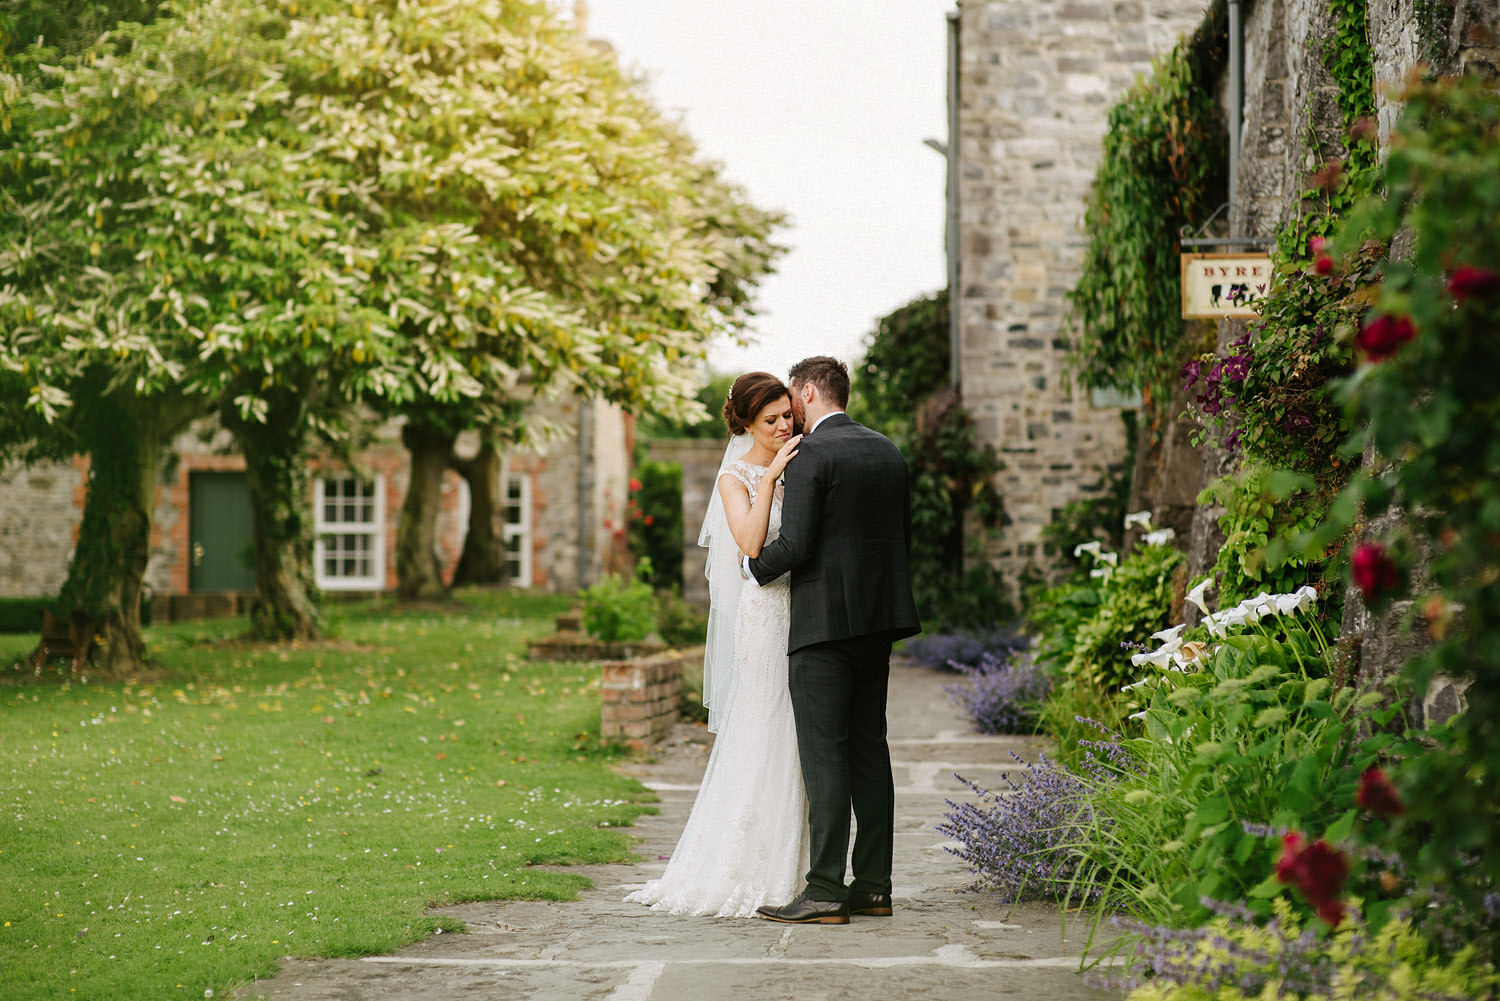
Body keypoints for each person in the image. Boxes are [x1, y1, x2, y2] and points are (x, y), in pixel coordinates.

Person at [624, 372, 809, 917]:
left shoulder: (804, 459)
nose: (782, 426)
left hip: (802, 612)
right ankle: (748, 869)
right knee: (765, 725)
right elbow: (750, 545)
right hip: (764, 617)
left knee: (797, 736)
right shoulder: (736, 477)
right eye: (771, 419)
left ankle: (795, 865)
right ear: (746, 422)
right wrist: (772, 476)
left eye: (786, 415)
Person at [745, 356, 920, 925]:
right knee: (871, 750)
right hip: (879, 623)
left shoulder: (810, 454)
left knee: (825, 758)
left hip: (823, 627)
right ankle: (873, 887)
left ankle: (823, 890)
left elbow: (794, 544)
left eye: (792, 397)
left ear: (807, 391)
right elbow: (898, 538)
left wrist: (752, 571)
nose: (788, 411)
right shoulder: (888, 449)